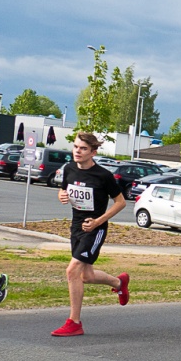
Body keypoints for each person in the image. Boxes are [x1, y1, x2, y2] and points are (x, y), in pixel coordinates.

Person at [52, 132, 130, 337]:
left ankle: (74, 322)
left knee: (72, 271)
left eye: (83, 148)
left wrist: (98, 221)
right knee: (85, 276)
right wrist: (61, 195)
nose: (78, 151)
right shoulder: (68, 169)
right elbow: (64, 191)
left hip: (95, 228)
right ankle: (119, 283)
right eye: (76, 147)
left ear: (93, 152)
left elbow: (121, 202)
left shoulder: (103, 175)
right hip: (77, 226)